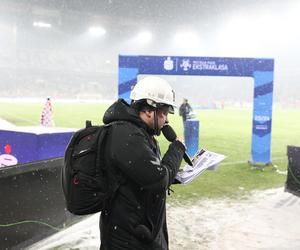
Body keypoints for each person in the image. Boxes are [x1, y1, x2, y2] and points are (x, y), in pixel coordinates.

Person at [100, 76, 186, 250]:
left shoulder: (139, 133)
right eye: (164, 113)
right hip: (128, 240)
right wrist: (177, 148)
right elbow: (158, 180)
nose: (167, 120)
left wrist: (173, 174)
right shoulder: (127, 134)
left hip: (140, 232)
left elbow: (142, 176)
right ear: (148, 110)